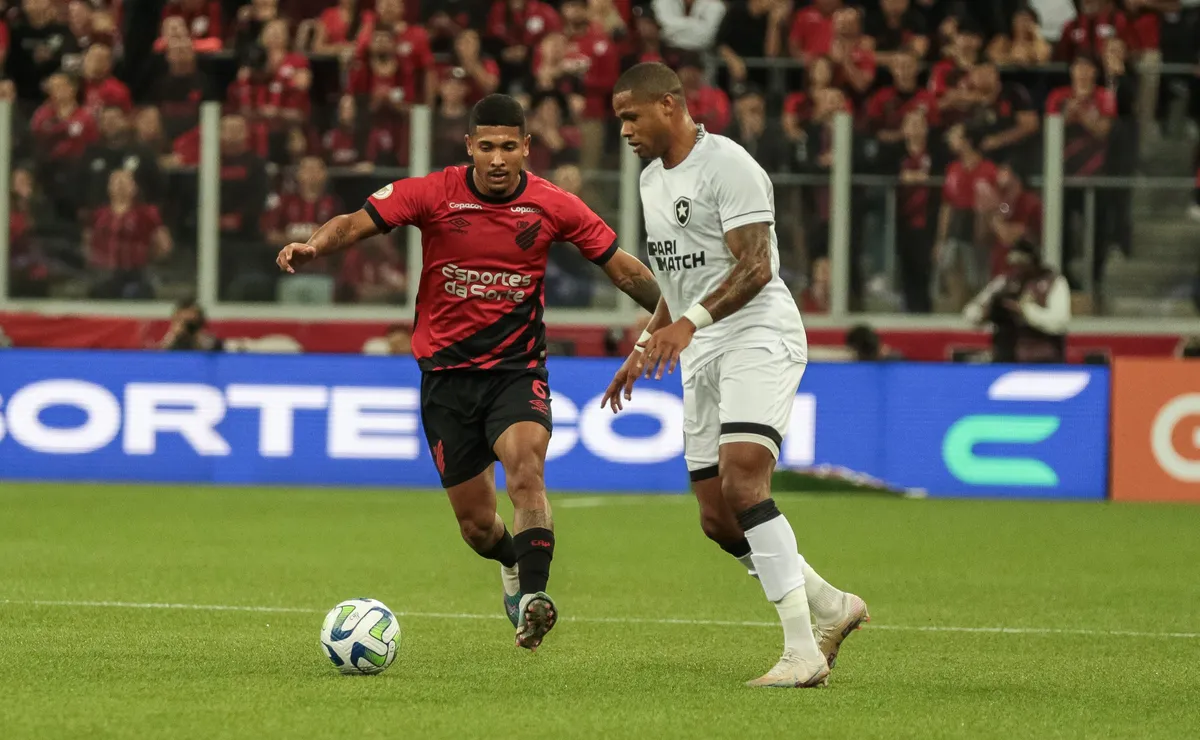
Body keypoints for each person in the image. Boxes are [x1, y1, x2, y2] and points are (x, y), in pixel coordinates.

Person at [275, 93, 661, 652]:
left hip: (516, 370)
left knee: (526, 470)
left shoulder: (554, 205)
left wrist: (680, 313)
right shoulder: (432, 193)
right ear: (469, 148)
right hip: (447, 380)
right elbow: (354, 223)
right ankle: (510, 563)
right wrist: (314, 248)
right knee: (478, 528)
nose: (498, 158)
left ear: (527, 148)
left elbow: (622, 268)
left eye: (509, 146)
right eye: (487, 147)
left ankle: (532, 599)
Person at [605, 62, 867, 689]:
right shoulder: (649, 182)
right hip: (700, 347)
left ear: (669, 105)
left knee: (744, 477)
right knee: (718, 517)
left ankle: (802, 652)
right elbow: (677, 279)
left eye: (632, 116)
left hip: (758, 334)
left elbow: (755, 267)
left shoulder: (731, 166)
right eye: (619, 120)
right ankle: (832, 604)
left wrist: (687, 324)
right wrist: (644, 344)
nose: (625, 130)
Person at [963, 238, 1071, 364]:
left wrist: (1025, 311)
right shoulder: (1003, 282)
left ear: (1034, 262)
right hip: (1006, 359)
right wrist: (985, 312)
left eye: (1021, 263)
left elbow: (1059, 322)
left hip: (1043, 362)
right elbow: (970, 313)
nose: (1017, 269)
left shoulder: (1054, 283)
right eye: (1013, 263)